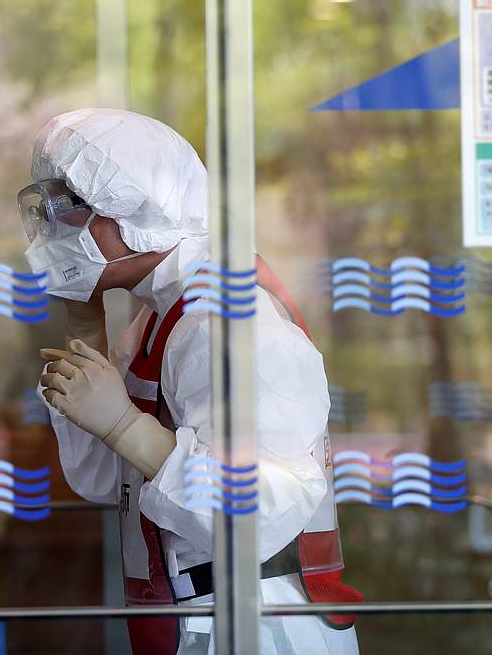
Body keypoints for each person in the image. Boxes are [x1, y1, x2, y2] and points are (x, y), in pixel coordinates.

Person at [21, 108, 360, 654]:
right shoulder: (163, 315)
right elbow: (106, 481)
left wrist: (125, 425)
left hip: (259, 626)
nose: (53, 225)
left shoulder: (229, 320)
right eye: (48, 204)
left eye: (73, 204)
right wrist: (85, 329)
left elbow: (261, 516)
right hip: (200, 617)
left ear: (140, 211)